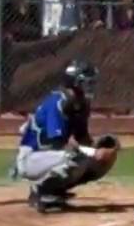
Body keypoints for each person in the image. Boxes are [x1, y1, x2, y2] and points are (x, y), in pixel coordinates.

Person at [11, 60, 121, 213]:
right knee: (77, 157)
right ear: (74, 82)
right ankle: (42, 191)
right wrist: (93, 153)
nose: (90, 86)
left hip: (52, 156)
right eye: (86, 82)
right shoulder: (58, 102)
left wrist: (99, 149)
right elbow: (58, 141)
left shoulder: (81, 104)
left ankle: (55, 190)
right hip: (31, 158)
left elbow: (82, 138)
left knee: (100, 160)